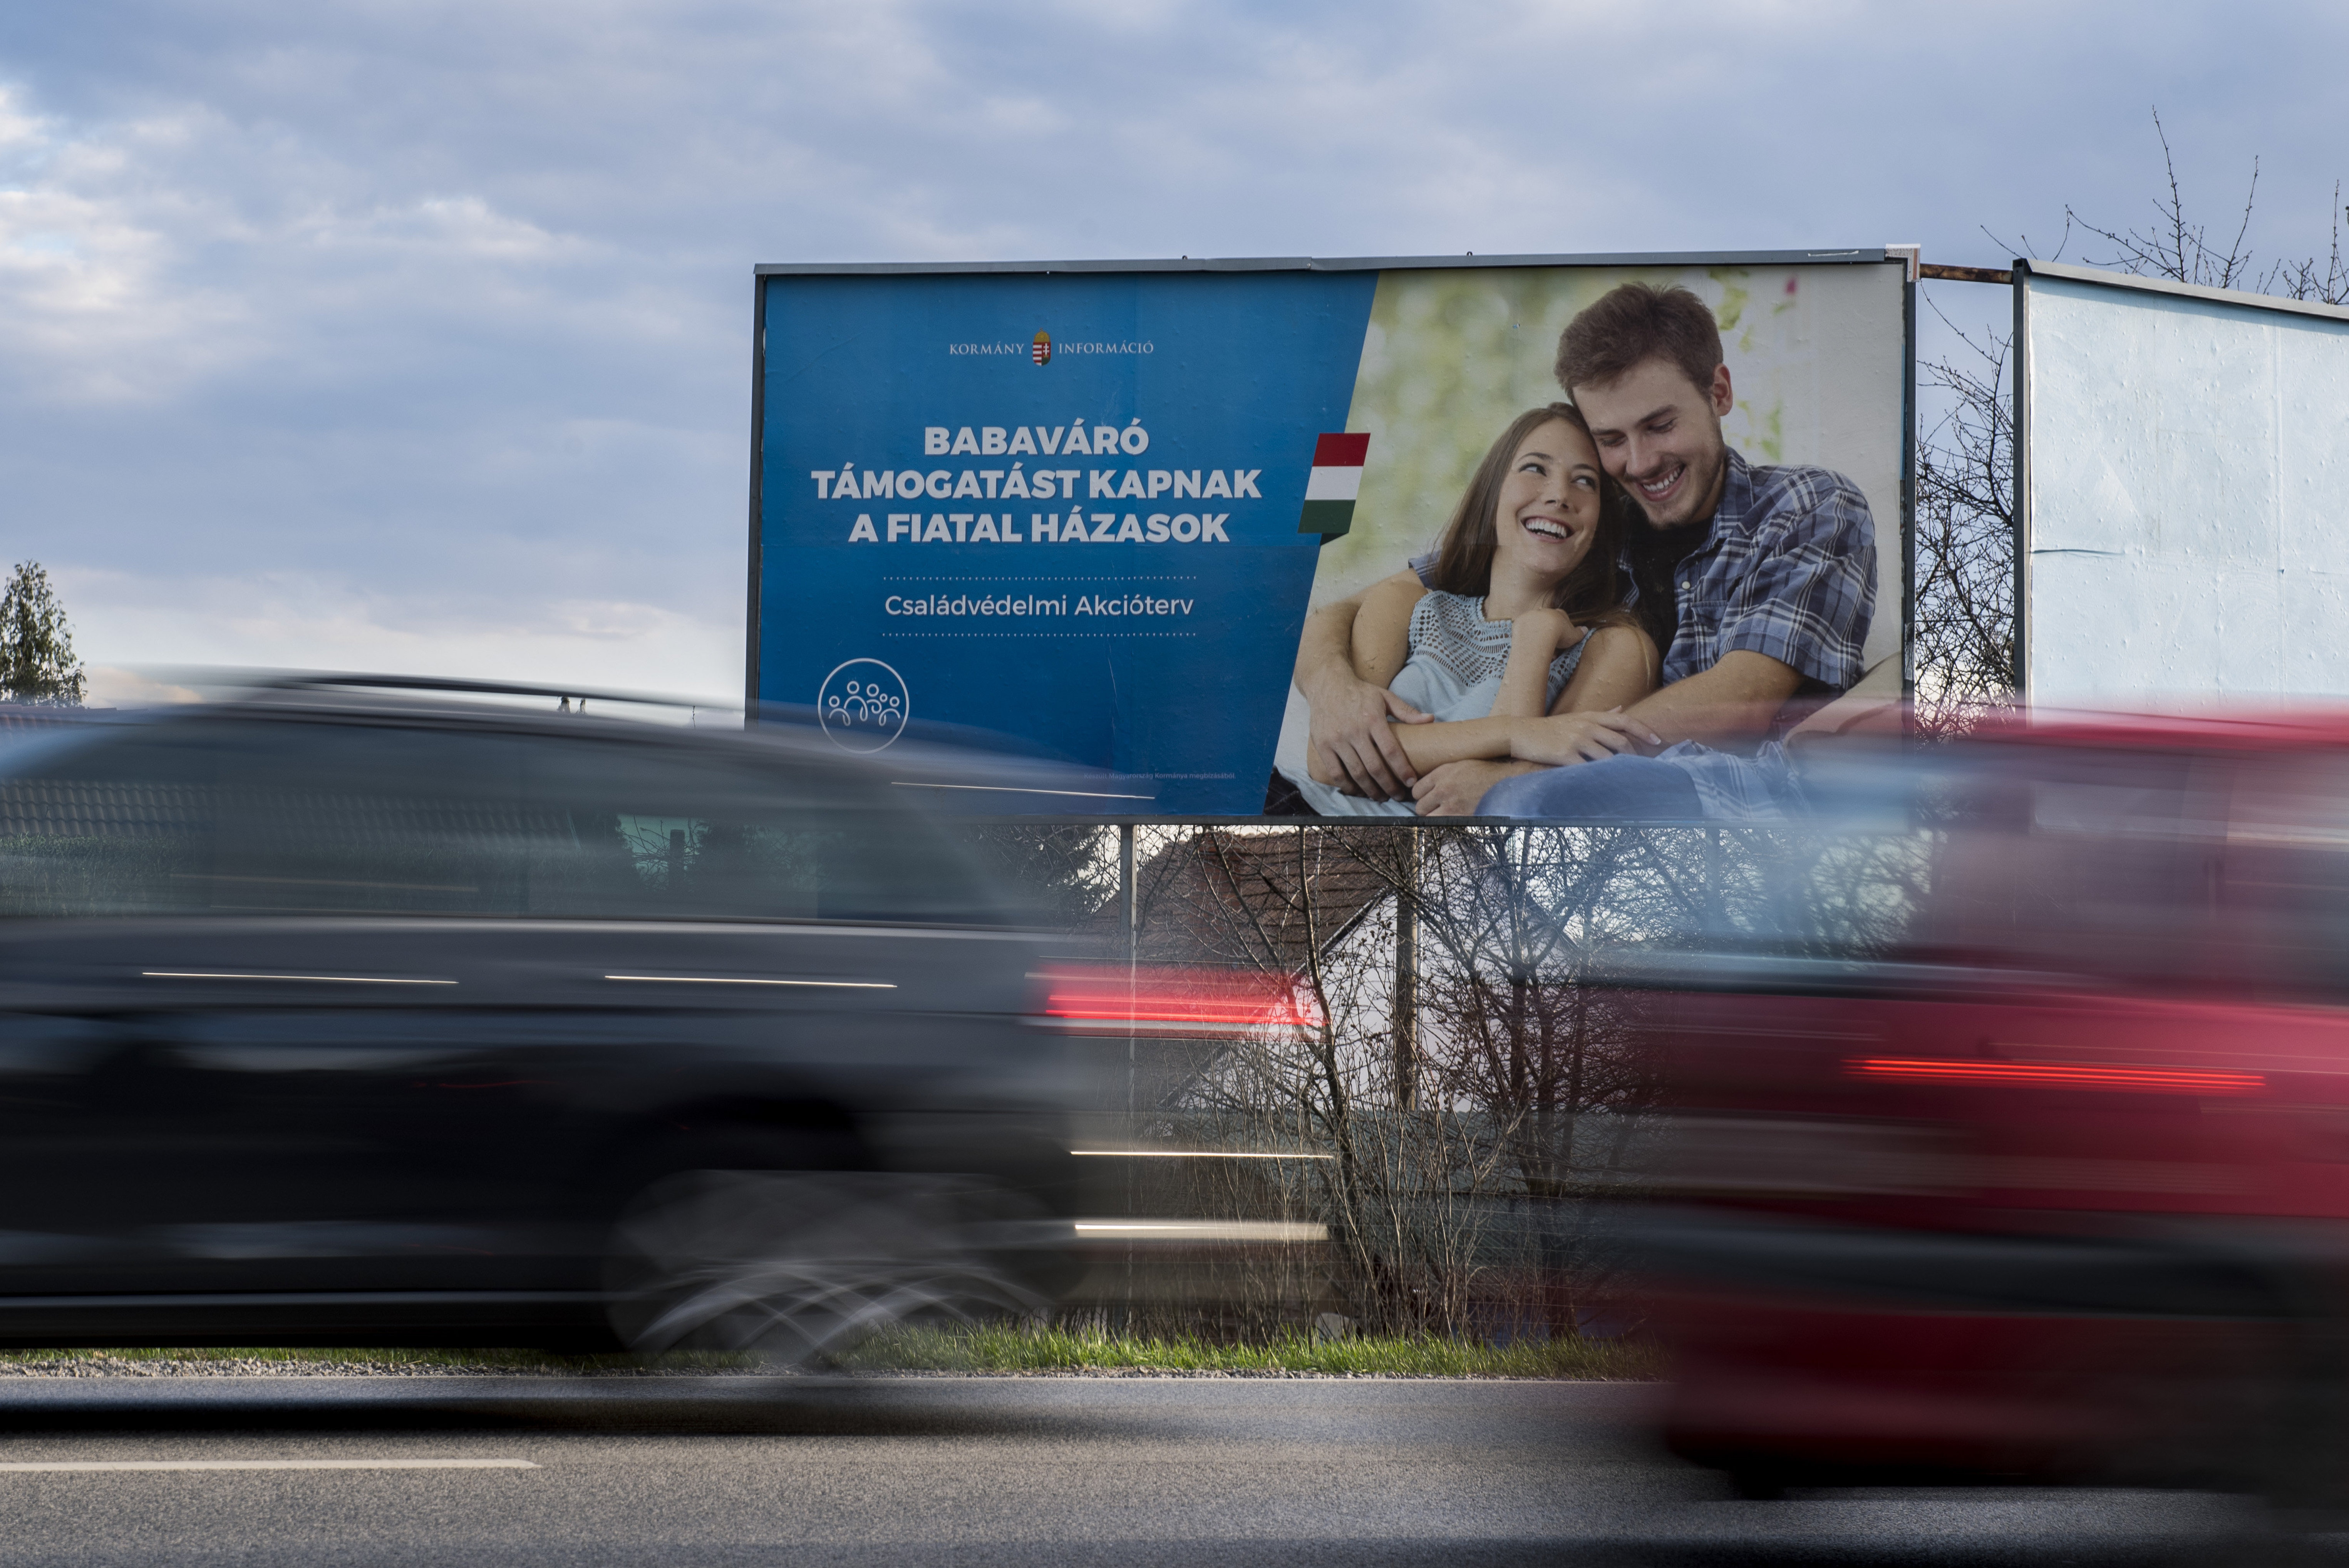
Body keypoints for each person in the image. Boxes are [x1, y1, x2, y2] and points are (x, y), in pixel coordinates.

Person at [1290, 282, 1876, 821]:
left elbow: (1743, 701)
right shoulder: (1580, 520)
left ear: (1719, 392)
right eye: (1611, 440)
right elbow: (1347, 610)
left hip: (1737, 830)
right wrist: (1335, 692)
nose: (1640, 462)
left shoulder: (1807, 506)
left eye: (1661, 425)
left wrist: (1516, 776)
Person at [1266, 404, 1655, 817]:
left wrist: (1535, 637)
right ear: (1492, 494)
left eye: (1585, 481)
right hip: (1290, 809)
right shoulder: (1406, 604)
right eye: (1535, 469)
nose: (1560, 494)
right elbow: (1330, 759)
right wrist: (1516, 734)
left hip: (1423, 860)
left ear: (1601, 524)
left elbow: (1509, 794)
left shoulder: (1616, 648)